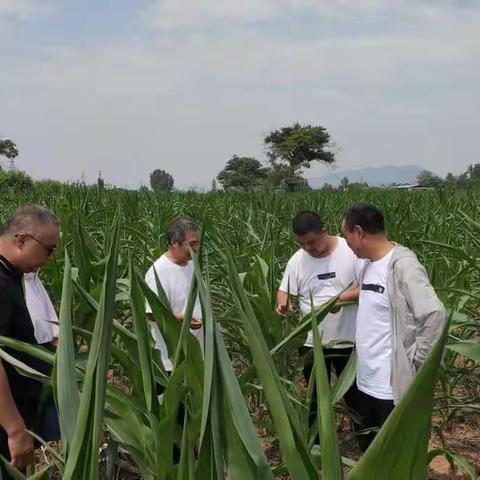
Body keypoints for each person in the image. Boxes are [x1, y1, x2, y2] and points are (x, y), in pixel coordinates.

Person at [341, 204, 446, 451]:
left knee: (393, 453)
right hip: (366, 379)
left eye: (346, 238)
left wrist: (418, 363)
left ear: (358, 232)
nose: (348, 245)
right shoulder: (368, 265)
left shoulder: (403, 266)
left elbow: (434, 314)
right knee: (370, 450)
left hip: (390, 386)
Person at [275, 211, 363, 424]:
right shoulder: (297, 260)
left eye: (312, 242)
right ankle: (318, 448)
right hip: (311, 344)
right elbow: (284, 290)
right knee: (315, 399)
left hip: (348, 343)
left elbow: (367, 288)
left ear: (324, 230)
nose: (308, 248)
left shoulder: (350, 252)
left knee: (356, 398)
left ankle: (365, 446)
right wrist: (282, 303)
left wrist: (337, 300)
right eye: (302, 244)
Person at [0, 205, 59, 478]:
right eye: (48, 249)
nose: (49, 258)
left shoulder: (13, 277)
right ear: (22, 239)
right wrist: (14, 429)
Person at [145, 216, 203, 375]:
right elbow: (151, 314)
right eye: (192, 244)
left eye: (197, 242)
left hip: (197, 356)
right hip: (172, 361)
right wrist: (182, 319)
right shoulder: (157, 273)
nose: (197, 248)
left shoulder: (193, 266)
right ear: (174, 243)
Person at [24, 271, 60, 442]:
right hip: (26, 350)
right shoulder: (11, 280)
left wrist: (55, 331)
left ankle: (44, 440)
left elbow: (44, 303)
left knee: (46, 398)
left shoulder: (31, 277)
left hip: (42, 348)